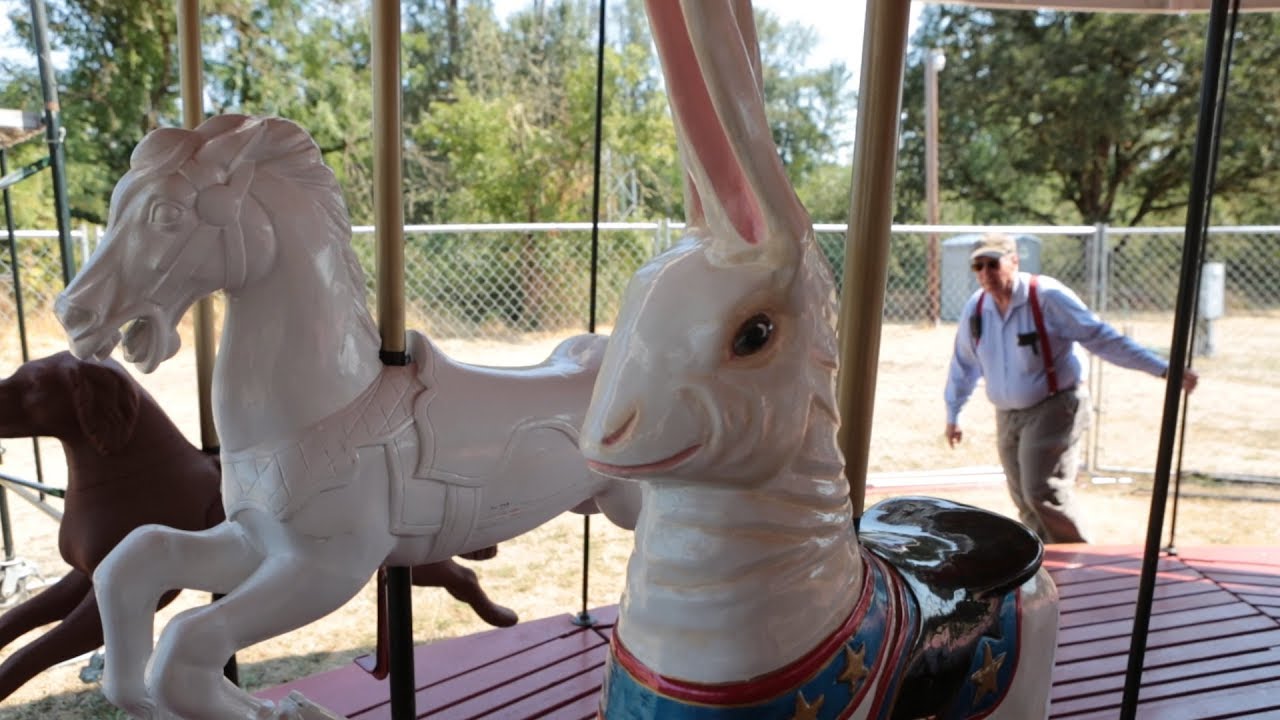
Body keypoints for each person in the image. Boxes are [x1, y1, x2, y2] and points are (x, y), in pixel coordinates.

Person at [944, 233, 1199, 543]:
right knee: (1024, 499)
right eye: (978, 266)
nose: (985, 273)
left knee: (1042, 491)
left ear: (1014, 261)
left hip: (1054, 406)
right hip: (1007, 414)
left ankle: (1079, 564)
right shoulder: (977, 309)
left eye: (992, 264)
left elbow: (1102, 338)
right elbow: (964, 364)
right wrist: (954, 412)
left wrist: (1163, 369)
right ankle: (1043, 567)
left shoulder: (1047, 297)